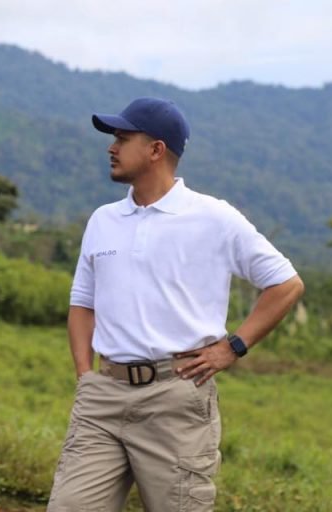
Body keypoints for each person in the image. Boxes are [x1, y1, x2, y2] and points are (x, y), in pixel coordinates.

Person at [47, 97, 305, 512]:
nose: (111, 147)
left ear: (156, 150)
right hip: (103, 396)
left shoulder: (213, 217)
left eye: (123, 138)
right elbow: (83, 303)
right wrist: (84, 376)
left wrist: (231, 348)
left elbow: (286, 284)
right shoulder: (103, 220)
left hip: (176, 398)